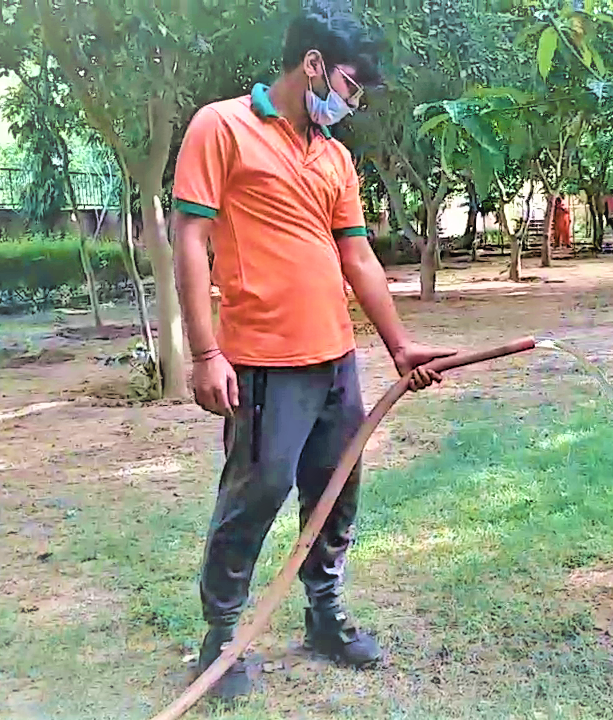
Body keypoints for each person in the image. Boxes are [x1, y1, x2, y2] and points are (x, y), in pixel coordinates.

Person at [170, 8, 455, 702]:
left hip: (334, 360)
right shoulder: (222, 126)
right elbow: (188, 237)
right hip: (263, 362)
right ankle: (221, 639)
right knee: (257, 492)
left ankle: (325, 617)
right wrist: (206, 353)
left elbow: (355, 256)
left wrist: (399, 346)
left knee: (335, 488)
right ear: (315, 65)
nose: (351, 103)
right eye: (352, 86)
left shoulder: (334, 157)